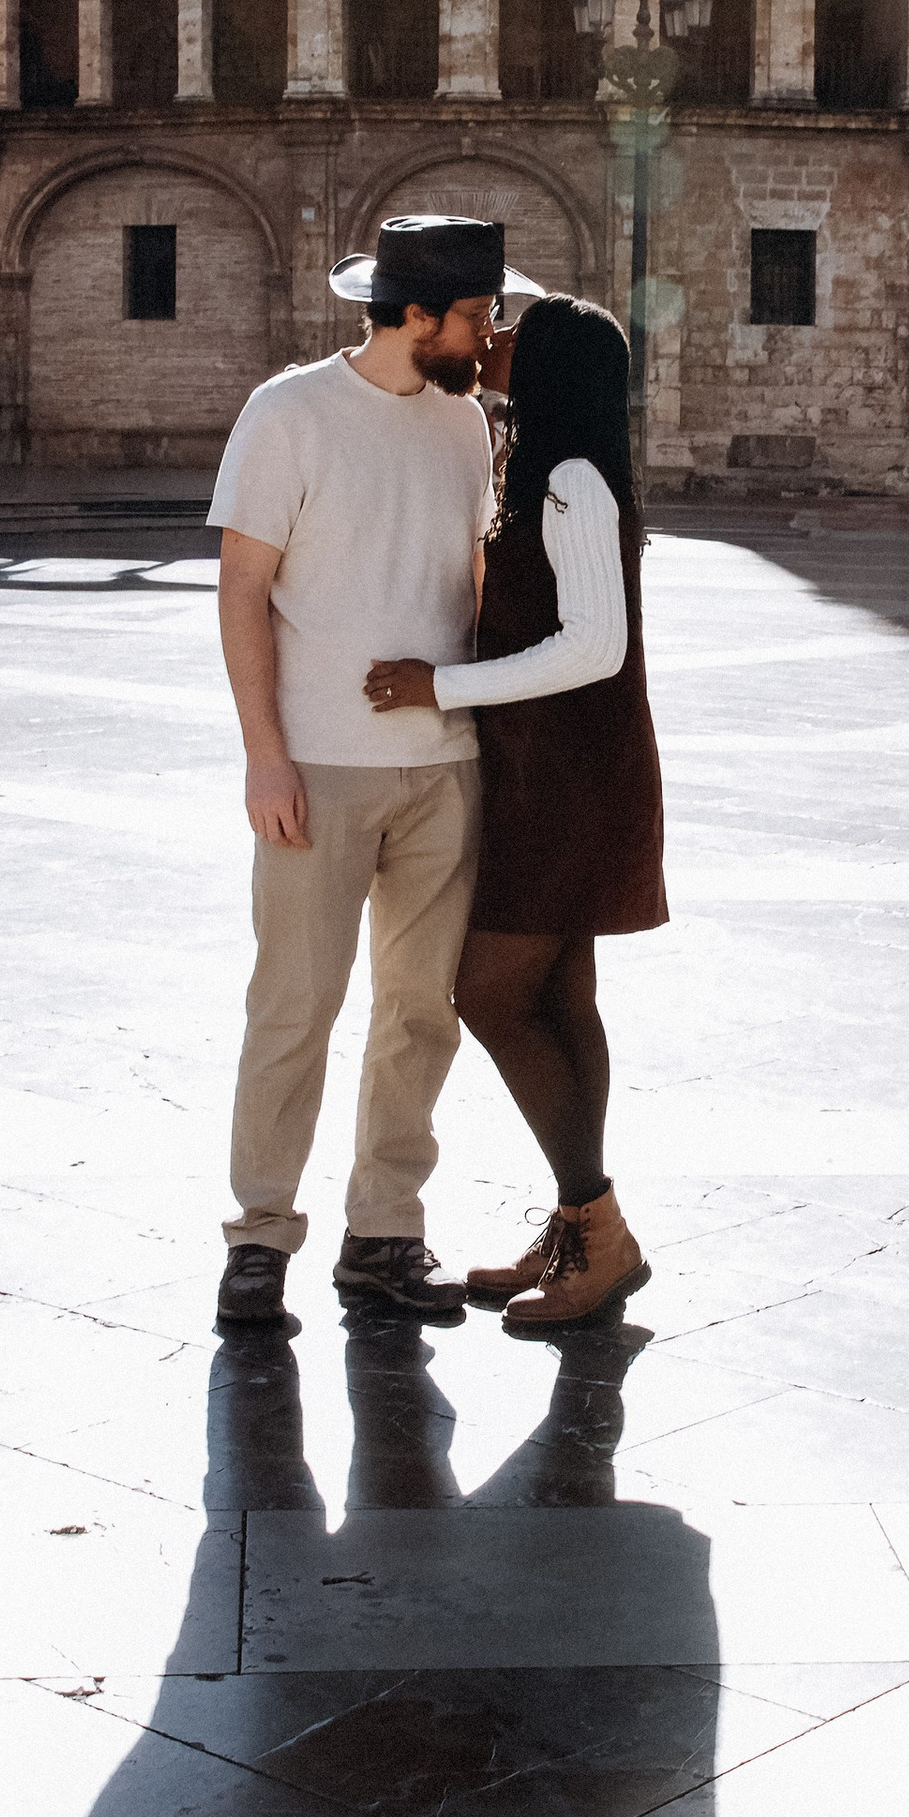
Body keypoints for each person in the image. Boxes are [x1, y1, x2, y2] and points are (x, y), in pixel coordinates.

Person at [207, 215, 542, 1331]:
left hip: (444, 768)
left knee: (419, 1011)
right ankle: (258, 1241)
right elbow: (242, 588)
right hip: (319, 766)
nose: (489, 335)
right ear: (414, 316)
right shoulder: (288, 413)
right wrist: (265, 754)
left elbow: (472, 569)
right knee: (293, 1007)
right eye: (477, 315)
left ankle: (385, 1234)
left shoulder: (462, 427)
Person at [365, 293, 665, 1332]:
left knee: (488, 994)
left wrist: (433, 685)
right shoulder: (553, 470)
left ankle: (597, 1228)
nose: (490, 343)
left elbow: (595, 647)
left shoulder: (573, 484)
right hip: (557, 770)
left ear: (552, 373)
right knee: (562, 1002)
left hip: (567, 780)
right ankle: (583, 1227)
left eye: (512, 338)